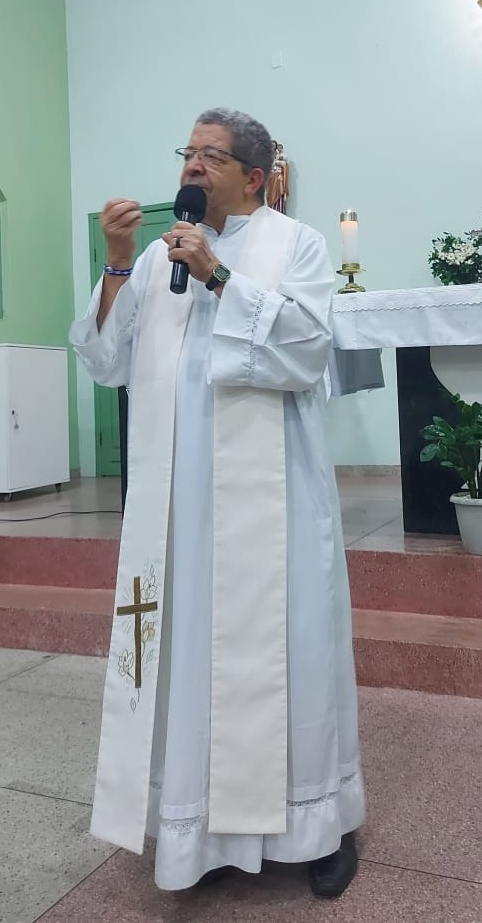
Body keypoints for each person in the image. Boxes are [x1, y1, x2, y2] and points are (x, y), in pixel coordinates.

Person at [69, 107, 365, 898]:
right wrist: (118, 263)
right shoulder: (160, 252)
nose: (192, 166)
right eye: (188, 152)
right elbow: (105, 360)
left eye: (211, 155)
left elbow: (307, 352)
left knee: (291, 652)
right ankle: (196, 833)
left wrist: (219, 277)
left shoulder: (294, 244)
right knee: (187, 656)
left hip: (274, 502)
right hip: (178, 502)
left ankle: (319, 824)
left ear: (254, 176)